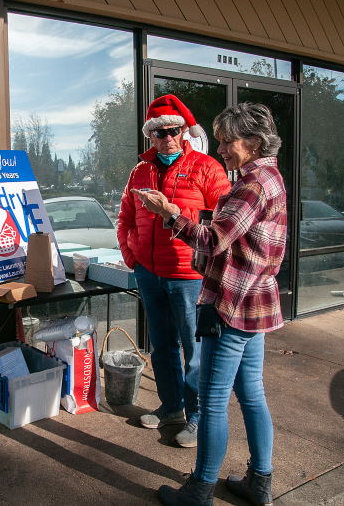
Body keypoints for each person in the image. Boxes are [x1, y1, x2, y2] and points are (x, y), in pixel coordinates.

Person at [134, 102, 286, 506]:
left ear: (253, 142)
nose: (220, 148)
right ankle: (259, 481)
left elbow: (214, 239)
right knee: (251, 393)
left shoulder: (251, 184)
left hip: (232, 304)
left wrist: (169, 215)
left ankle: (199, 490)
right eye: (217, 140)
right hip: (254, 301)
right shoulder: (269, 177)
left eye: (227, 141)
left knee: (214, 400)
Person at [117, 94, 230, 447]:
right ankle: (171, 407)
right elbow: (124, 217)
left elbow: (223, 221)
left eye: (173, 131)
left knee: (194, 351)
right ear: (150, 136)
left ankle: (196, 418)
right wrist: (131, 255)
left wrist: (174, 213)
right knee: (162, 346)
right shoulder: (140, 171)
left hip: (188, 276)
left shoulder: (207, 168)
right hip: (149, 273)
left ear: (183, 132)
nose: (167, 137)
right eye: (159, 132)